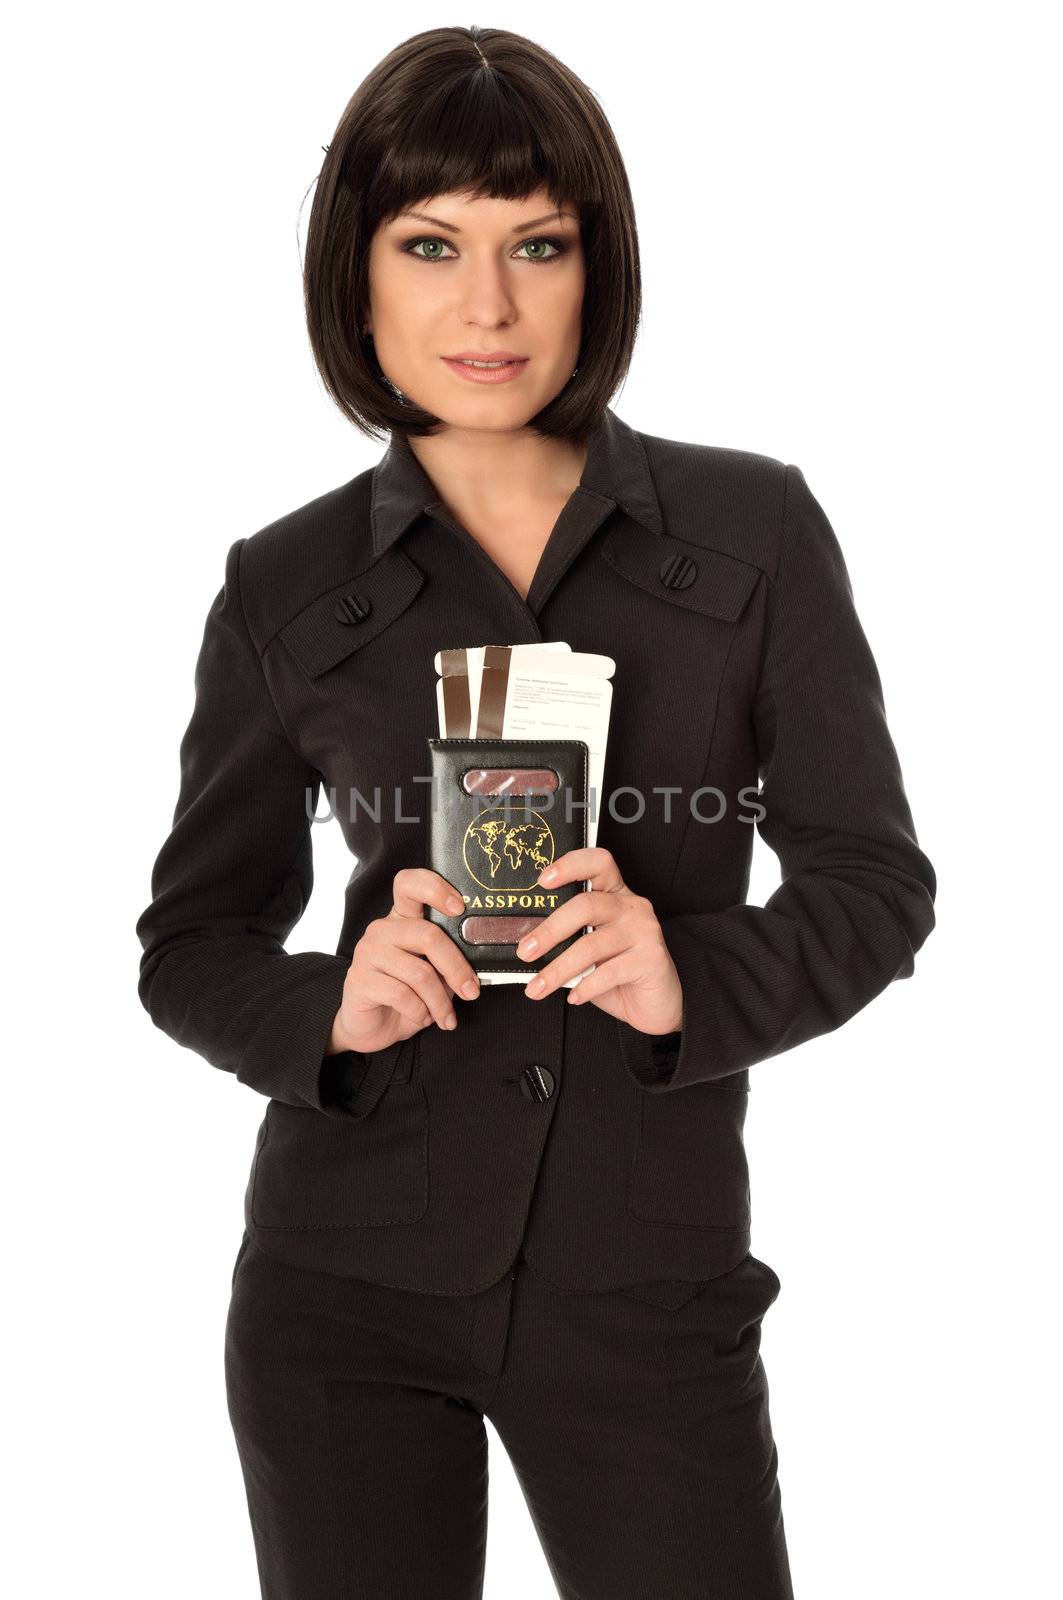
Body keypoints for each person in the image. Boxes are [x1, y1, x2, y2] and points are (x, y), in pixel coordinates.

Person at [134, 24, 937, 1600]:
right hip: (341, 1282)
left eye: (537, 244)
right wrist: (326, 1008)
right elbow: (191, 939)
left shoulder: (755, 528)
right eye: (429, 244)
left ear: (597, 265)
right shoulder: (284, 584)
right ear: (356, 275)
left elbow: (873, 882)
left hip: (647, 1283)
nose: (484, 306)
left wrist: (691, 975)